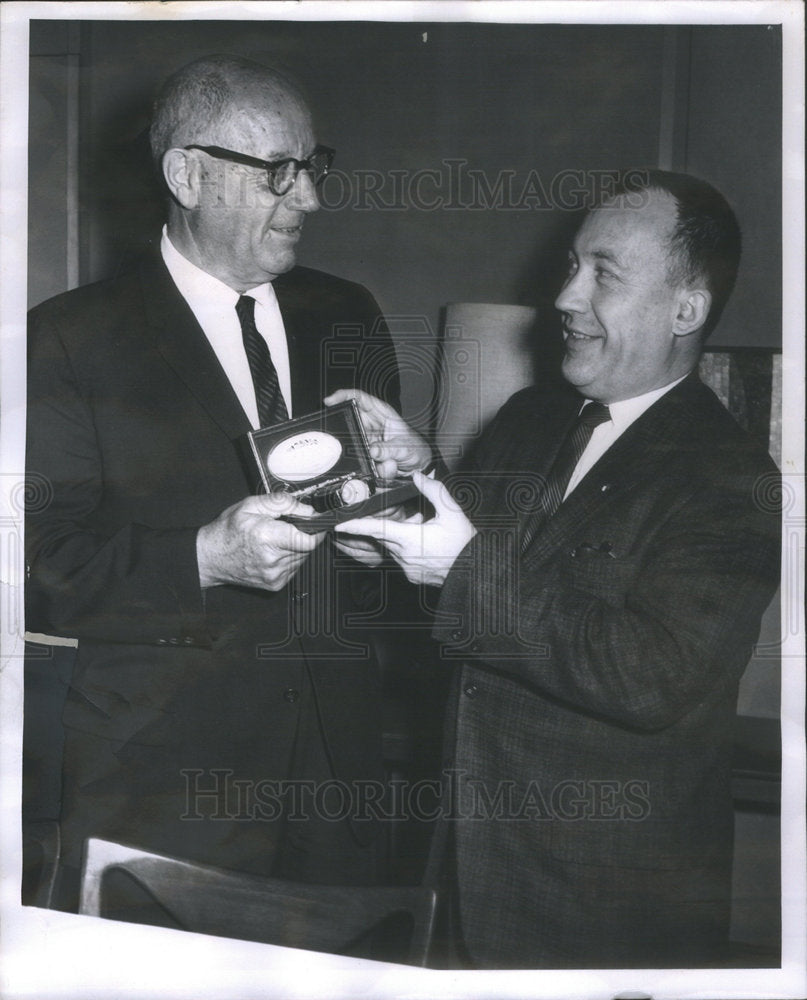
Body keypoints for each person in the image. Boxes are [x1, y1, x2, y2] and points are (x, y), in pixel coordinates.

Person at [330, 170, 781, 968]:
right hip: (460, 873)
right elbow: (467, 587)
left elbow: (650, 674)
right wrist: (400, 497)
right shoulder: (528, 418)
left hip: (604, 912)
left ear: (686, 310)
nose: (565, 297)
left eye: (602, 274)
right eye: (569, 266)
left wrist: (458, 563)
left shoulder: (726, 478)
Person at [25, 54, 420, 916]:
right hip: (162, 786)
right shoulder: (66, 342)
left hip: (336, 775)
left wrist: (405, 489)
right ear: (188, 175)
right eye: (279, 172)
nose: (309, 199)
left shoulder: (345, 314)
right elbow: (34, 570)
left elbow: (399, 527)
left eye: (313, 168)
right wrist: (202, 558)